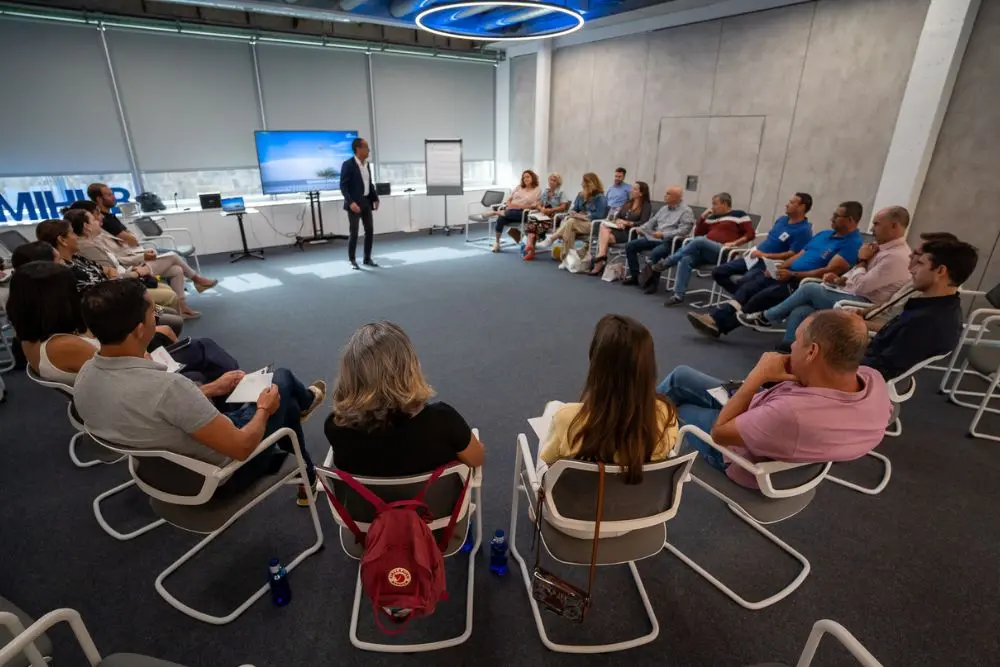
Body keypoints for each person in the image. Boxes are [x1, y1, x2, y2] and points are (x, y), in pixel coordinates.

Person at [74, 279, 326, 503]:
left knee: (286, 405)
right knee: (280, 382)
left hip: (160, 473)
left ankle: (308, 474)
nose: (158, 317)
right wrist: (264, 409)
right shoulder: (168, 388)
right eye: (155, 313)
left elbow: (156, 410)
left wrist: (212, 389)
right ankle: (306, 405)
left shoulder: (86, 373)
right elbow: (241, 448)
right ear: (139, 329)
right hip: (219, 476)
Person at [658, 310, 891, 489]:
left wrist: (757, 376)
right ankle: (633, 420)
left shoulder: (792, 414)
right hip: (769, 426)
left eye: (797, 341)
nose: (791, 346)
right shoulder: (873, 381)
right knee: (681, 376)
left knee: (676, 408)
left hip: (739, 458)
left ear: (812, 352)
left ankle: (631, 436)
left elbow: (720, 434)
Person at [5, 262, 235, 387]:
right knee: (196, 352)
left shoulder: (30, 334)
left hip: (122, 374)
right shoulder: (64, 345)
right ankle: (239, 394)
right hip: (131, 386)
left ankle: (237, 388)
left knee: (198, 344)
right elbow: (128, 373)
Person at [325, 321, 484, 476]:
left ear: (350, 376)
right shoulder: (443, 421)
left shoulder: (336, 427)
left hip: (363, 503)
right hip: (434, 502)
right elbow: (476, 459)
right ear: (409, 368)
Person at [686, 201, 865, 338]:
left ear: (850, 220)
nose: (832, 218)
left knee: (759, 297)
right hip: (786, 273)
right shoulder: (824, 234)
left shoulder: (852, 244)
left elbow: (826, 270)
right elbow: (799, 255)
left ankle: (718, 325)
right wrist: (780, 268)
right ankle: (716, 320)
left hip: (801, 282)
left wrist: (792, 273)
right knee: (750, 286)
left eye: (837, 216)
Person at [742, 206, 913, 346]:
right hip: (848, 293)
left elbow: (861, 287)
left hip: (863, 305)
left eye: (876, 224)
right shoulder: (879, 248)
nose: (871, 229)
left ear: (894, 226)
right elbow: (854, 276)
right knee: (801, 311)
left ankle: (766, 317)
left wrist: (861, 260)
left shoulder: (896, 257)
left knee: (808, 288)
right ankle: (790, 351)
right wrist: (839, 279)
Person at [539, 315, 678, 476]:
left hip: (580, 499)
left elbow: (548, 460)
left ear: (598, 366)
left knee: (552, 409)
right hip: (642, 499)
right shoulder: (666, 415)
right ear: (648, 368)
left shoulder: (568, 419)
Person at [859, 239, 978, 380]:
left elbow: (880, 371)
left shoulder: (926, 322)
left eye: (920, 264)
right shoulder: (939, 308)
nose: (912, 270)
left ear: (940, 271)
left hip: (862, 376)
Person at [65, 207, 214, 318]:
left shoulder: (94, 240)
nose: (99, 221)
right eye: (94, 219)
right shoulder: (87, 247)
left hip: (128, 274)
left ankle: (181, 309)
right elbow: (112, 274)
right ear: (86, 226)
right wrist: (137, 270)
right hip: (127, 281)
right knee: (173, 257)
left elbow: (114, 265)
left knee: (176, 270)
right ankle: (196, 283)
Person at [34, 218, 181, 312]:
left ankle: (159, 339)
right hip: (118, 308)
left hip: (121, 296)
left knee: (167, 310)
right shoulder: (68, 271)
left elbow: (110, 270)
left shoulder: (77, 259)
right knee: (167, 310)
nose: (75, 237)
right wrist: (130, 275)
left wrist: (112, 278)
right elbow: (106, 288)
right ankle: (155, 344)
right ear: (62, 240)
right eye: (72, 233)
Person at [649, 193, 755, 302]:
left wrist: (734, 243)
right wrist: (703, 218)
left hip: (724, 252)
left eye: (715, 204)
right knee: (686, 259)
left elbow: (750, 234)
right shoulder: (711, 217)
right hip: (705, 251)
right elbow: (697, 235)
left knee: (700, 241)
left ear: (724, 204)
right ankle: (678, 295)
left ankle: (669, 261)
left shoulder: (739, 215)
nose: (712, 207)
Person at [845, 232, 958, 332]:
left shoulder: (930, 293)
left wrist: (857, 324)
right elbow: (890, 302)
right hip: (871, 321)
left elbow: (896, 329)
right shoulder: (917, 280)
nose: (910, 255)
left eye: (918, 254)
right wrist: (861, 312)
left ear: (940, 269)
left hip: (874, 332)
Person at [712, 193, 814, 296]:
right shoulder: (782, 220)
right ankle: (740, 298)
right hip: (754, 257)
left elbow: (793, 254)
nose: (787, 204)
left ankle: (741, 300)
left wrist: (765, 255)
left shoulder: (804, 230)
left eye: (791, 203)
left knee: (744, 282)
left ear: (802, 207)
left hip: (769, 263)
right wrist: (755, 250)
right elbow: (770, 240)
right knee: (718, 272)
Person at [622, 186, 696, 286]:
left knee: (656, 253)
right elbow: (651, 222)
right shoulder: (664, 208)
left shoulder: (686, 211)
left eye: (668, 194)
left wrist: (664, 234)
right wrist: (641, 229)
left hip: (671, 241)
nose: (665, 196)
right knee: (630, 246)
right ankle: (635, 276)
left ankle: (653, 283)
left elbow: (684, 231)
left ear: (677, 197)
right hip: (655, 238)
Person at [536, 172, 609, 264]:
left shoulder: (600, 197)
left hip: (592, 225)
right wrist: (573, 213)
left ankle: (551, 239)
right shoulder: (581, 195)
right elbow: (574, 209)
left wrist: (583, 216)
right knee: (570, 226)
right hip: (577, 223)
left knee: (571, 222)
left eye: (583, 182)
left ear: (590, 184)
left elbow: (600, 215)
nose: (581, 184)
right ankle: (566, 259)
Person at [589, 181, 652, 276]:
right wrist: (618, 221)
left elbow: (643, 223)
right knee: (604, 227)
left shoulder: (646, 206)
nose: (632, 191)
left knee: (603, 235)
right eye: (632, 188)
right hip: (618, 229)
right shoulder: (628, 202)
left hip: (630, 233)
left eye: (635, 189)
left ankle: (600, 261)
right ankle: (602, 256)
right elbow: (618, 216)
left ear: (641, 193)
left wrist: (627, 223)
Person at [339, 137, 379, 270]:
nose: (368, 150)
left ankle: (367, 259)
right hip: (354, 204)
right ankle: (352, 260)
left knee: (369, 230)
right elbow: (343, 186)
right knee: (354, 232)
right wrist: (350, 203)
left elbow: (369, 184)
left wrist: (375, 198)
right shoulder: (348, 164)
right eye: (366, 147)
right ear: (358, 149)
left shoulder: (367, 165)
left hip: (366, 201)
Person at [490, 170, 541, 253]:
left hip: (525, 213)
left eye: (528, 177)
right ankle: (497, 243)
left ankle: (496, 212)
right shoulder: (519, 187)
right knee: (501, 219)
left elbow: (534, 206)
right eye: (524, 177)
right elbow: (509, 200)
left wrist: (518, 206)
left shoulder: (537, 190)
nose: (525, 179)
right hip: (511, 211)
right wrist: (509, 204)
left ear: (533, 178)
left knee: (505, 214)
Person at [522, 172, 569, 260]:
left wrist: (551, 210)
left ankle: (530, 250)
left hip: (554, 217)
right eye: (550, 180)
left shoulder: (561, 192)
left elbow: (563, 206)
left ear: (558, 182)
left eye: (554, 180)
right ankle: (530, 246)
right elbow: (539, 204)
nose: (551, 182)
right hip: (543, 215)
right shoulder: (546, 191)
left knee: (535, 226)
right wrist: (541, 208)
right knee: (532, 221)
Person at [87, 182, 139, 247]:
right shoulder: (104, 220)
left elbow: (129, 234)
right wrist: (132, 237)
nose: (114, 198)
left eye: (112, 194)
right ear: (99, 199)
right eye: (109, 195)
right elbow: (132, 241)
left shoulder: (110, 216)